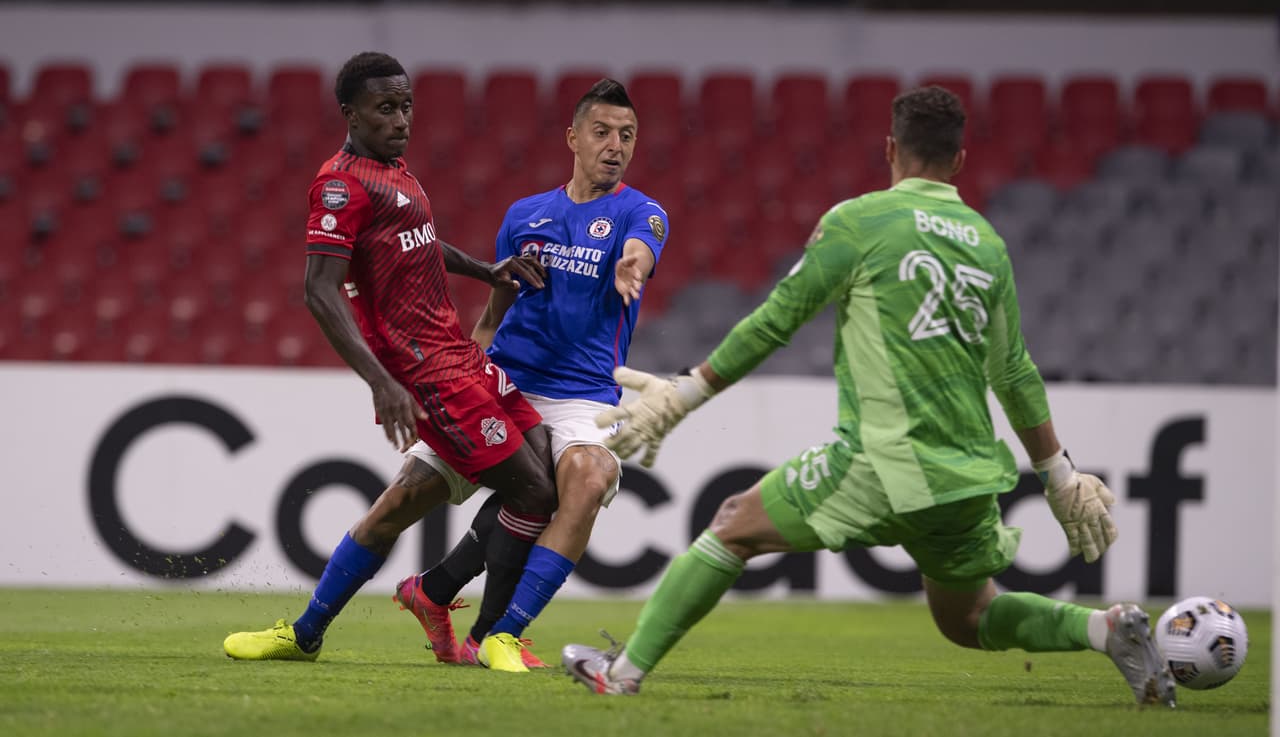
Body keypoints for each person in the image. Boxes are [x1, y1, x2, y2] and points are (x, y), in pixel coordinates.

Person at [561, 85, 1177, 708]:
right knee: (967, 619)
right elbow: (1013, 371)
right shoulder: (986, 244)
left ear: (890, 150)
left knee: (730, 527)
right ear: (959, 161)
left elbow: (776, 321)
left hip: (883, 459)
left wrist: (684, 393)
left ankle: (624, 673)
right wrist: (1058, 475)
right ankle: (1107, 629)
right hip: (966, 475)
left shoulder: (859, 221)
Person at [222, 51, 558, 668]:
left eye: (405, 105)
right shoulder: (340, 183)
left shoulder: (397, 173)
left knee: (426, 502)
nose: (400, 118)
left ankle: (312, 631)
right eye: (385, 108)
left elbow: (421, 244)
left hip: (459, 355)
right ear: (350, 113)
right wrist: (381, 383)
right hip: (424, 375)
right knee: (534, 494)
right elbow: (318, 290)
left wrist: (486, 270)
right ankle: (488, 638)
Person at [392, 78, 670, 671]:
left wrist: (632, 266)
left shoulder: (641, 213)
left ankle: (496, 630)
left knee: (586, 480)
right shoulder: (525, 215)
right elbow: (497, 306)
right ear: (573, 138)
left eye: (627, 136)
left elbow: (642, 248)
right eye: (602, 132)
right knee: (412, 494)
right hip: (507, 381)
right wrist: (460, 370)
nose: (615, 145)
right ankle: (410, 601)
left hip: (584, 396)